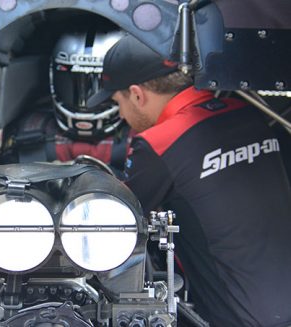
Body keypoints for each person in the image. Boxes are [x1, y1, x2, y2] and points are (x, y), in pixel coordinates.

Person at [87, 34, 291, 326]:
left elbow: (113, 223)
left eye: (118, 102)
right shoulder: (251, 114)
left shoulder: (160, 144)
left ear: (136, 94)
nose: (121, 113)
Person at [1, 29, 134, 176]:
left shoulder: (140, 137)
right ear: (53, 79)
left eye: (99, 85)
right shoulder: (26, 133)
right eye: (73, 85)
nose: (85, 102)